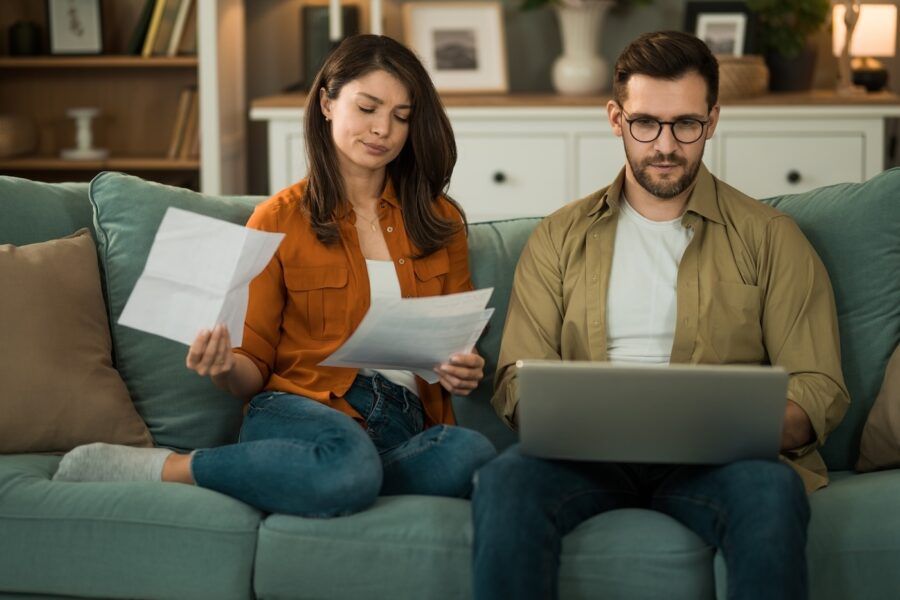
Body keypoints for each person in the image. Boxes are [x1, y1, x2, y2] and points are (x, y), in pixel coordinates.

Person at [472, 31, 849, 599]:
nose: (665, 145)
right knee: (505, 482)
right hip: (586, 460)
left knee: (772, 492)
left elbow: (819, 386)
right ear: (616, 118)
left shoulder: (772, 239)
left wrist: (732, 427)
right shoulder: (557, 238)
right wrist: (552, 413)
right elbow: (516, 380)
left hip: (718, 465)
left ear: (713, 120)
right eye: (646, 123)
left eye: (686, 125)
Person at [53, 34, 497, 517]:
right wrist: (223, 365)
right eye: (367, 108)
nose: (382, 130)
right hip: (301, 409)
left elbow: (458, 343)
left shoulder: (439, 219)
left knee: (470, 454)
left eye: (401, 116)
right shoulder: (278, 219)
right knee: (347, 462)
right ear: (327, 103)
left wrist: (463, 368)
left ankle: (323, 477)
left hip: (404, 423)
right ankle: (175, 468)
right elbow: (250, 372)